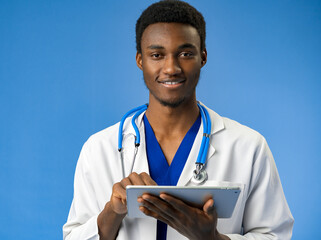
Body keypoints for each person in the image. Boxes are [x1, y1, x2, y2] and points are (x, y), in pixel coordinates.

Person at [63, 0, 294, 239]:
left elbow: (274, 235)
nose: (171, 67)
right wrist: (113, 211)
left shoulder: (248, 147)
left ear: (202, 57)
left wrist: (213, 238)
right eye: (157, 55)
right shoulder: (99, 149)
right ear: (140, 60)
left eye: (185, 54)